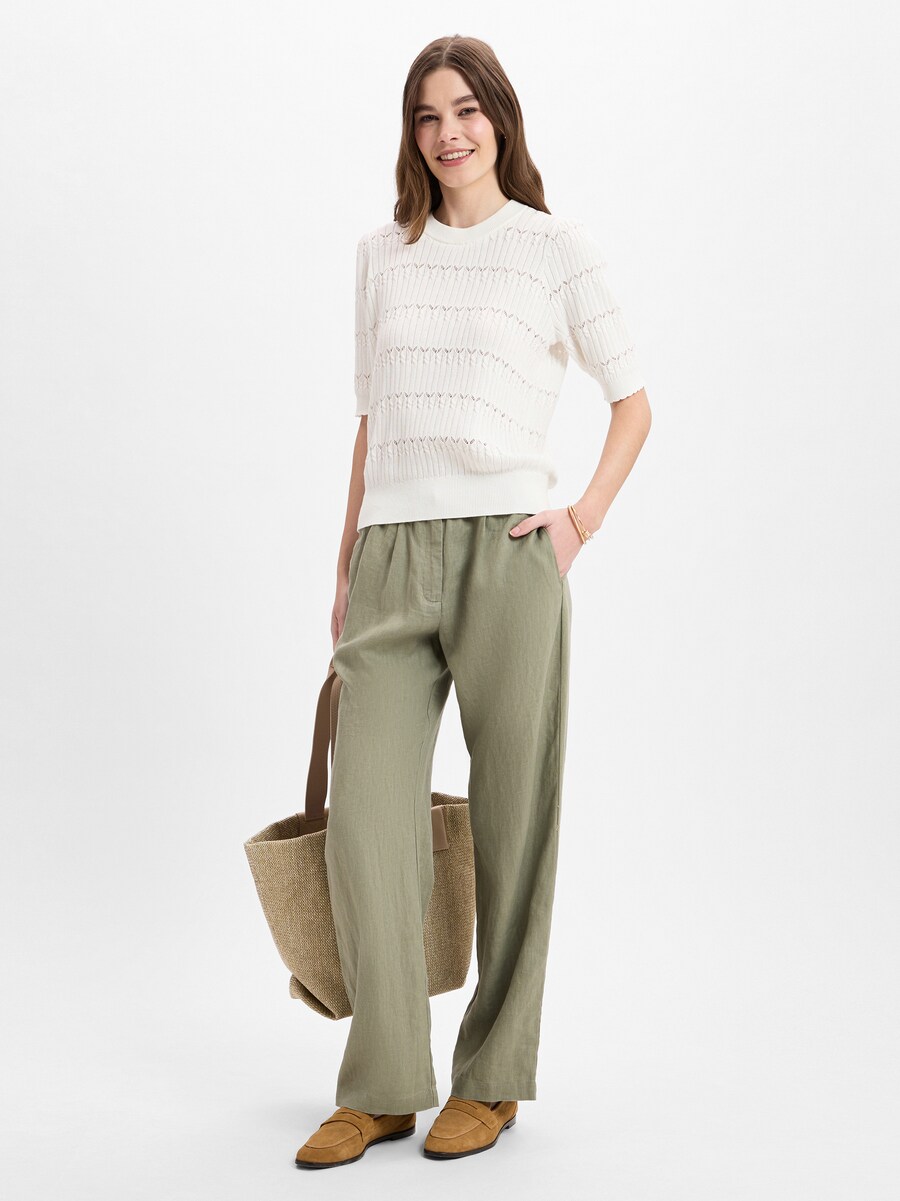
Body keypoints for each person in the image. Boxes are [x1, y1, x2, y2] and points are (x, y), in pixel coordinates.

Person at [295, 34, 652, 1170]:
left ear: (500, 117)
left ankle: (492, 1078)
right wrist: (346, 566)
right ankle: (383, 1084)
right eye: (426, 115)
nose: (448, 133)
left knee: (512, 818)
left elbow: (634, 402)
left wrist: (580, 519)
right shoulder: (380, 255)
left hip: (510, 553)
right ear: (411, 134)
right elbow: (371, 424)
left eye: (466, 110)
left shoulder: (553, 248)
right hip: (390, 554)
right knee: (369, 824)